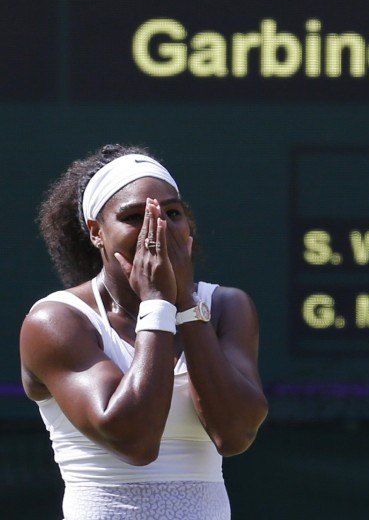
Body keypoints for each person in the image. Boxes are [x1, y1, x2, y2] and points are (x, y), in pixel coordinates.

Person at [19, 143, 268, 520]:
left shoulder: (228, 307)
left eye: (172, 213)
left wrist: (184, 304)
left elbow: (235, 435)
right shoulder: (56, 321)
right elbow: (135, 440)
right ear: (96, 232)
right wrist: (157, 305)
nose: (158, 229)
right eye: (134, 217)